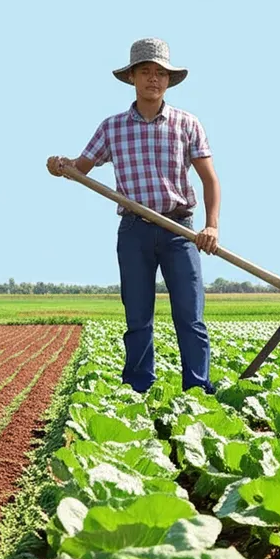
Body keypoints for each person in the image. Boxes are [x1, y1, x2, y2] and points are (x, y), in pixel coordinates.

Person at [47, 38, 220, 394]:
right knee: (138, 319)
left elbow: (209, 179)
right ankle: (138, 390)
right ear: (132, 78)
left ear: (169, 81)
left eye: (160, 73)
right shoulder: (112, 127)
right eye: (145, 72)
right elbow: (81, 168)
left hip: (179, 230)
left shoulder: (187, 124)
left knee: (190, 318)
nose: (153, 79)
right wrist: (60, 167)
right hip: (134, 231)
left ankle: (198, 392)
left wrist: (212, 226)